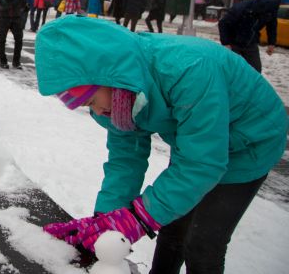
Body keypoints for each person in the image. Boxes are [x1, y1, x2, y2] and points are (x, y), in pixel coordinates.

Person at [35, 16, 286, 273]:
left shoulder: (189, 69)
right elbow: (126, 160)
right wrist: (105, 222)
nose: (97, 112)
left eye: (90, 102)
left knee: (203, 243)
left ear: (107, 76)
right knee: (173, 228)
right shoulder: (117, 98)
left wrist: (139, 218)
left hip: (251, 142)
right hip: (196, 142)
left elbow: (202, 164)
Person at [218, 0, 279, 73]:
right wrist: (226, 43)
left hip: (251, 42)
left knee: (255, 70)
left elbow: (272, 27)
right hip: (233, 41)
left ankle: (252, 84)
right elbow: (223, 23)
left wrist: (271, 43)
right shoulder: (241, 8)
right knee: (232, 68)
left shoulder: (271, 12)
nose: (269, 14)